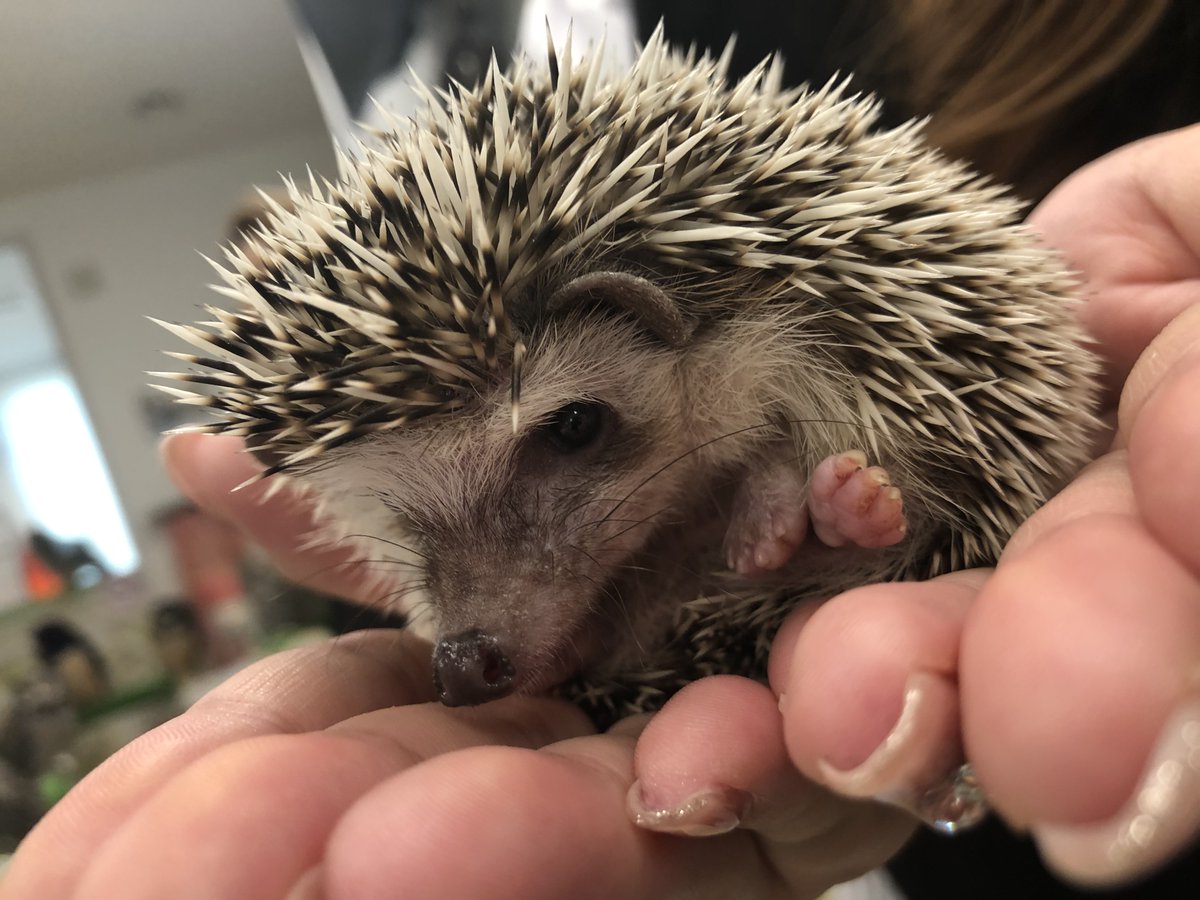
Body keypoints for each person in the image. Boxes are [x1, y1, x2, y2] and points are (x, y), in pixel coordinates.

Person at [1, 111, 1197, 898]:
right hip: (915, 800)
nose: (479, 617)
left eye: (570, 432)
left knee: (876, 488)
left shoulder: (799, 320)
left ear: (649, 318)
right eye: (422, 527)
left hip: (1056, 679)